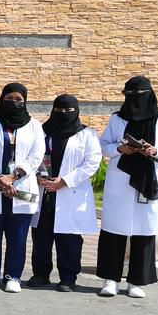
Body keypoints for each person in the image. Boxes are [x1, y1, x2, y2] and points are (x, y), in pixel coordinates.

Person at [96, 76, 158, 298]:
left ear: (150, 94)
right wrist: (120, 149)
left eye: (139, 95)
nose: (135, 100)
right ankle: (110, 279)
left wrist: (155, 151)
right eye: (130, 96)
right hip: (120, 179)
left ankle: (137, 282)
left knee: (144, 230)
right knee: (114, 230)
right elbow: (103, 146)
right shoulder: (117, 119)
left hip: (147, 179)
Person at [0, 82, 44, 293]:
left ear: (25, 101)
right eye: (9, 99)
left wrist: (14, 177)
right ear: (2, 98)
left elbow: (36, 155)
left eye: (19, 100)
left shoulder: (34, 126)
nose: (14, 103)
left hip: (21, 187)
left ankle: (13, 276)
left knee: (18, 236)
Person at [30, 94, 102, 292]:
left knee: (69, 238)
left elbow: (92, 162)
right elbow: (31, 155)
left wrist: (65, 181)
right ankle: (40, 274)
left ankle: (68, 278)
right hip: (44, 190)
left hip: (70, 192)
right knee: (41, 236)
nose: (63, 114)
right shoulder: (41, 132)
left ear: (77, 111)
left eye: (68, 111)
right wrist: (36, 175)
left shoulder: (87, 135)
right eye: (59, 111)